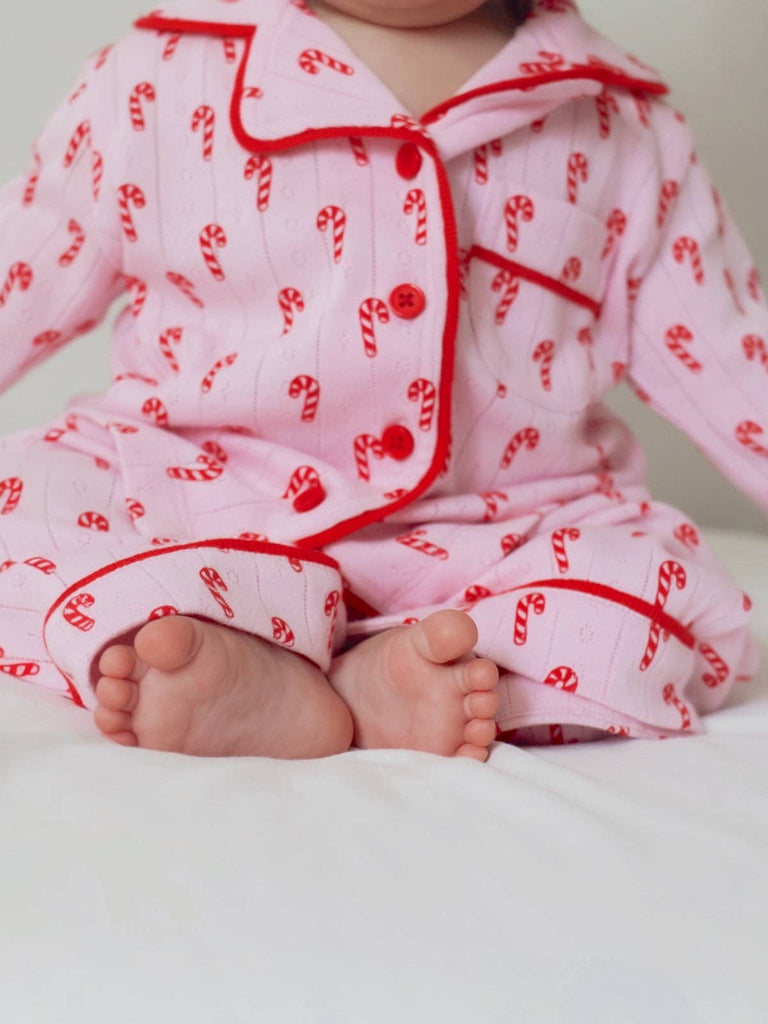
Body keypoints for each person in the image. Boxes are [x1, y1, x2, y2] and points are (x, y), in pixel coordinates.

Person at [0, 0, 764, 761]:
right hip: (198, 502)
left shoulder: (618, 122)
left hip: (503, 539)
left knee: (660, 592)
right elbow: (24, 263)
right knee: (24, 500)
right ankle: (217, 644)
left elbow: (731, 352)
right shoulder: (155, 79)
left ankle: (413, 677)